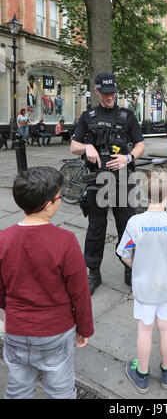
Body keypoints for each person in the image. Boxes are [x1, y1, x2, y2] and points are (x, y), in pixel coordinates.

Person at [0, 166, 94, 399]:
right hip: (56, 331)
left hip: (16, 329)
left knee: (18, 389)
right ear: (49, 204)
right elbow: (80, 292)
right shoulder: (65, 241)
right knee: (60, 389)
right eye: (59, 196)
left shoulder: (3, 238)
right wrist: (84, 328)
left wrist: (8, 309)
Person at [117, 169, 167, 393]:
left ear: (143, 193)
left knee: (145, 329)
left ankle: (141, 374)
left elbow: (124, 253)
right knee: (166, 328)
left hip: (143, 287)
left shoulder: (134, 222)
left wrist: (137, 267)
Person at [71, 72, 144, 295]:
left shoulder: (127, 115)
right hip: (97, 182)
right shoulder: (88, 116)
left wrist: (128, 157)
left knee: (127, 227)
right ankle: (93, 271)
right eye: (106, 93)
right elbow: (74, 146)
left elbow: (140, 145)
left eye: (113, 92)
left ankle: (129, 268)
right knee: (96, 228)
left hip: (123, 181)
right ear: (97, 92)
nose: (110, 96)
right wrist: (87, 147)